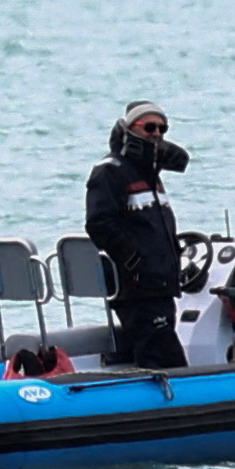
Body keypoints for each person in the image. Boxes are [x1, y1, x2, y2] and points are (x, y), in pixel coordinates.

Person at [85, 100, 193, 370]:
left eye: (162, 128)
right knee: (165, 359)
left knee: (156, 348)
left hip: (161, 285)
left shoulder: (150, 175)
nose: (157, 133)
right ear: (130, 129)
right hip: (137, 289)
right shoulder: (110, 171)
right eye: (149, 127)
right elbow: (99, 224)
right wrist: (134, 260)